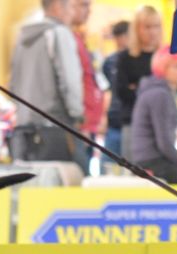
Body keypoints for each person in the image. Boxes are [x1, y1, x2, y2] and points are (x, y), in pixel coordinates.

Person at [8, 0, 85, 162]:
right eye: (71, 7)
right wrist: (77, 114)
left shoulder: (22, 37)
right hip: (55, 128)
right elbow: (70, 81)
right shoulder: (59, 33)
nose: (72, 13)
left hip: (24, 131)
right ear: (57, 6)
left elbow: (13, 85)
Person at [130, 47, 177, 184]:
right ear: (163, 68)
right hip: (153, 160)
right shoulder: (160, 94)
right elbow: (164, 141)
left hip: (149, 158)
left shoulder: (161, 92)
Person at [114, 5, 162, 159]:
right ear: (137, 29)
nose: (152, 32)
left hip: (160, 124)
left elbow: (172, 89)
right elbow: (122, 92)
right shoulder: (125, 58)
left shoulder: (165, 56)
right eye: (147, 27)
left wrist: (138, 88)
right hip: (133, 124)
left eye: (156, 26)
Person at [70, 0, 105, 174]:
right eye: (84, 5)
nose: (88, 11)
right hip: (78, 126)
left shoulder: (79, 38)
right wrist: (81, 124)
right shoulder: (66, 38)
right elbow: (72, 83)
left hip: (89, 125)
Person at [102, 20, 130, 163]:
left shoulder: (137, 60)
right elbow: (107, 89)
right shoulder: (110, 62)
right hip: (114, 120)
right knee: (108, 164)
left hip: (131, 120)